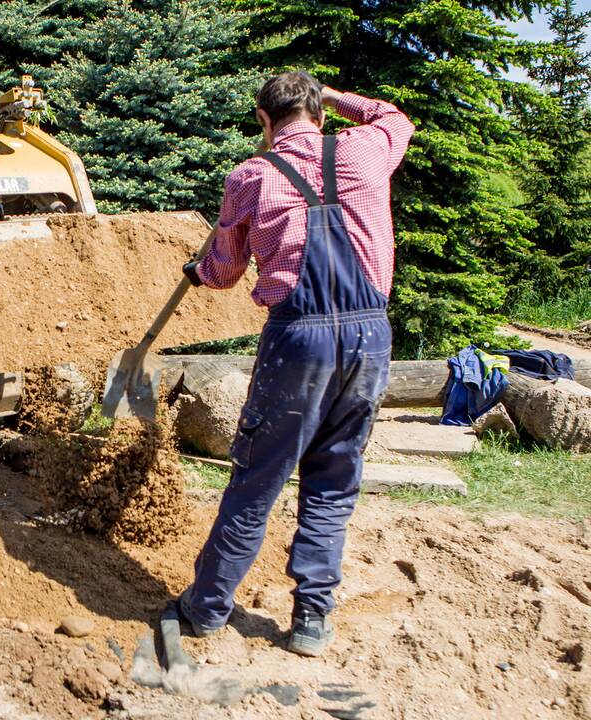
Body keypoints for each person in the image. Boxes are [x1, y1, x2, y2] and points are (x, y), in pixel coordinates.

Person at [177, 71, 414, 657]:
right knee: (333, 480)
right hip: (368, 338)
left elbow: (225, 273)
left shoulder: (251, 177)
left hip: (297, 343)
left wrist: (198, 269)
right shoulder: (364, 149)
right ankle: (311, 619)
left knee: (258, 478)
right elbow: (395, 118)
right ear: (320, 111)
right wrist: (337, 98)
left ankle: (206, 609)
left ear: (263, 120)